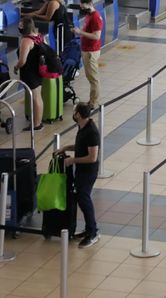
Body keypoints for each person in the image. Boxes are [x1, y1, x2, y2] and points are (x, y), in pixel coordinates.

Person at [54, 102, 100, 249]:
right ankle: (88, 229)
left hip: (88, 171)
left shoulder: (92, 132)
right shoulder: (82, 127)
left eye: (74, 112)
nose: (73, 114)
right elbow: (81, 147)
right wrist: (66, 148)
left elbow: (92, 157)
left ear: (79, 114)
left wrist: (72, 160)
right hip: (81, 170)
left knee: (84, 199)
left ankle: (93, 232)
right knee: (81, 199)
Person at [15, 17, 45, 131]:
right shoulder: (39, 36)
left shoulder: (26, 40)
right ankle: (38, 121)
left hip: (30, 72)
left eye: (21, 25)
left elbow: (22, 60)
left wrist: (15, 67)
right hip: (39, 70)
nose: (19, 27)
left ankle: (36, 124)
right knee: (38, 97)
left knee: (35, 98)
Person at [73, 0, 103, 107]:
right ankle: (92, 100)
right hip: (87, 50)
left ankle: (93, 103)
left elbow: (96, 36)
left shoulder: (95, 17)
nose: (82, 9)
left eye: (83, 7)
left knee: (94, 78)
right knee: (90, 77)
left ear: (89, 4)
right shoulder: (89, 15)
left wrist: (80, 32)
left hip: (91, 51)